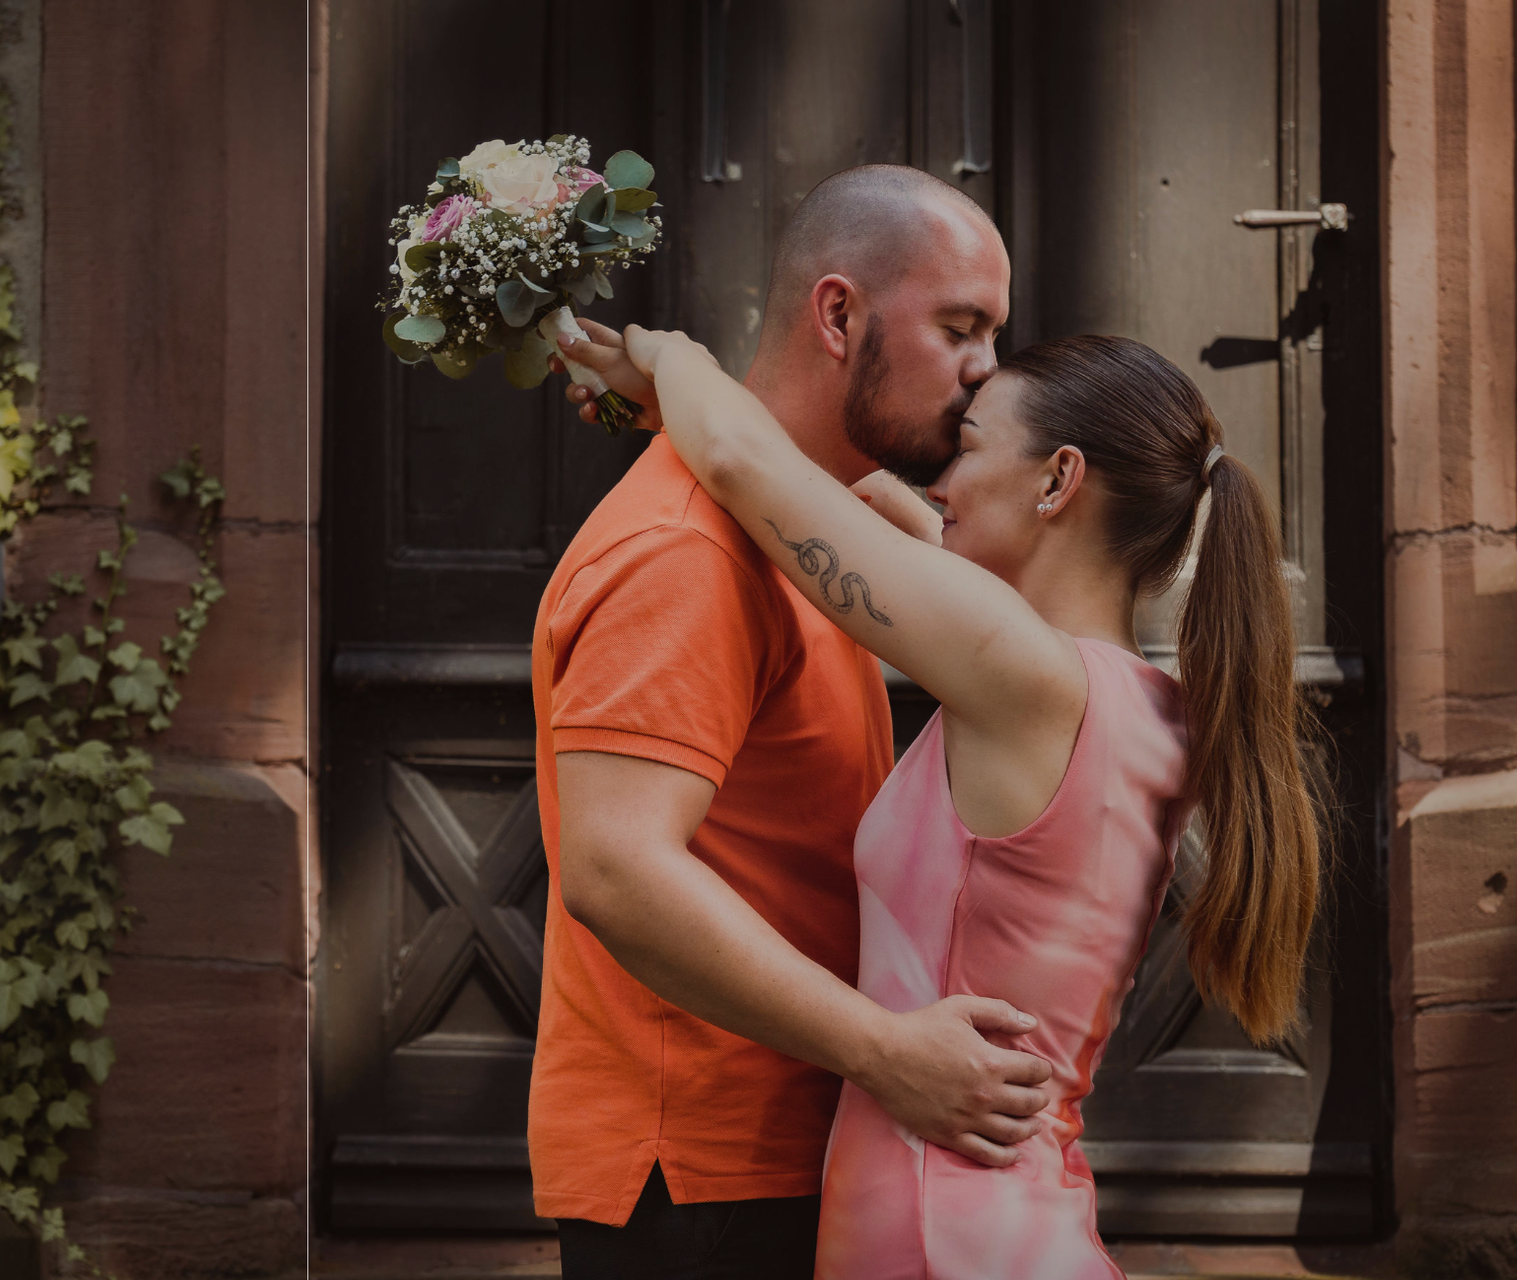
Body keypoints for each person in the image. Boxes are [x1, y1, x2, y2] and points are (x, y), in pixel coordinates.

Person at [553, 323, 1324, 1278]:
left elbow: (745, 464)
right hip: (1010, 1220)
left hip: (935, 1230)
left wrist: (673, 359)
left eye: (966, 449)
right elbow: (892, 529)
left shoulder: (1024, 678)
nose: (938, 485)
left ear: (1058, 480)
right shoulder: (1145, 707)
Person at [529, 165, 1059, 1280]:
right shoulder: (684, 552)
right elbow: (615, 870)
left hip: (791, 1148)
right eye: (960, 328)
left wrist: (678, 389)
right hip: (702, 1177)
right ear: (838, 316)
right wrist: (886, 1050)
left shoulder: (815, 529)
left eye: (993, 334)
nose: (986, 370)